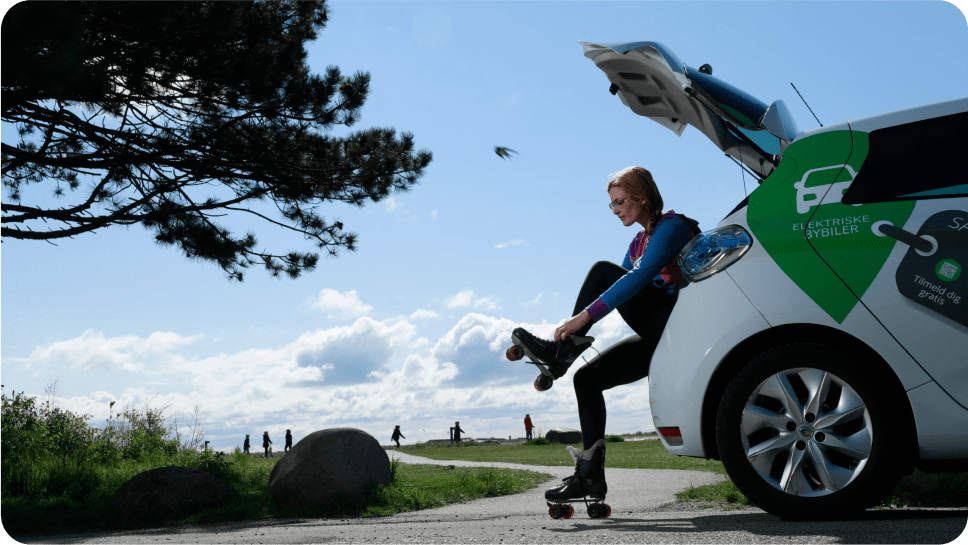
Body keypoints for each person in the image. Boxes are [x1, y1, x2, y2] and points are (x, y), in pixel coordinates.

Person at [511, 166, 699, 503]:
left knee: (601, 271)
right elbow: (619, 290)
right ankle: (590, 478)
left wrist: (582, 318)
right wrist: (584, 319)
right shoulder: (638, 241)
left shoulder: (673, 227)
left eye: (621, 202)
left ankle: (560, 354)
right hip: (657, 335)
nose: (616, 211)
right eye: (611, 205)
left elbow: (635, 280)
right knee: (586, 380)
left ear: (643, 197)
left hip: (681, 325)